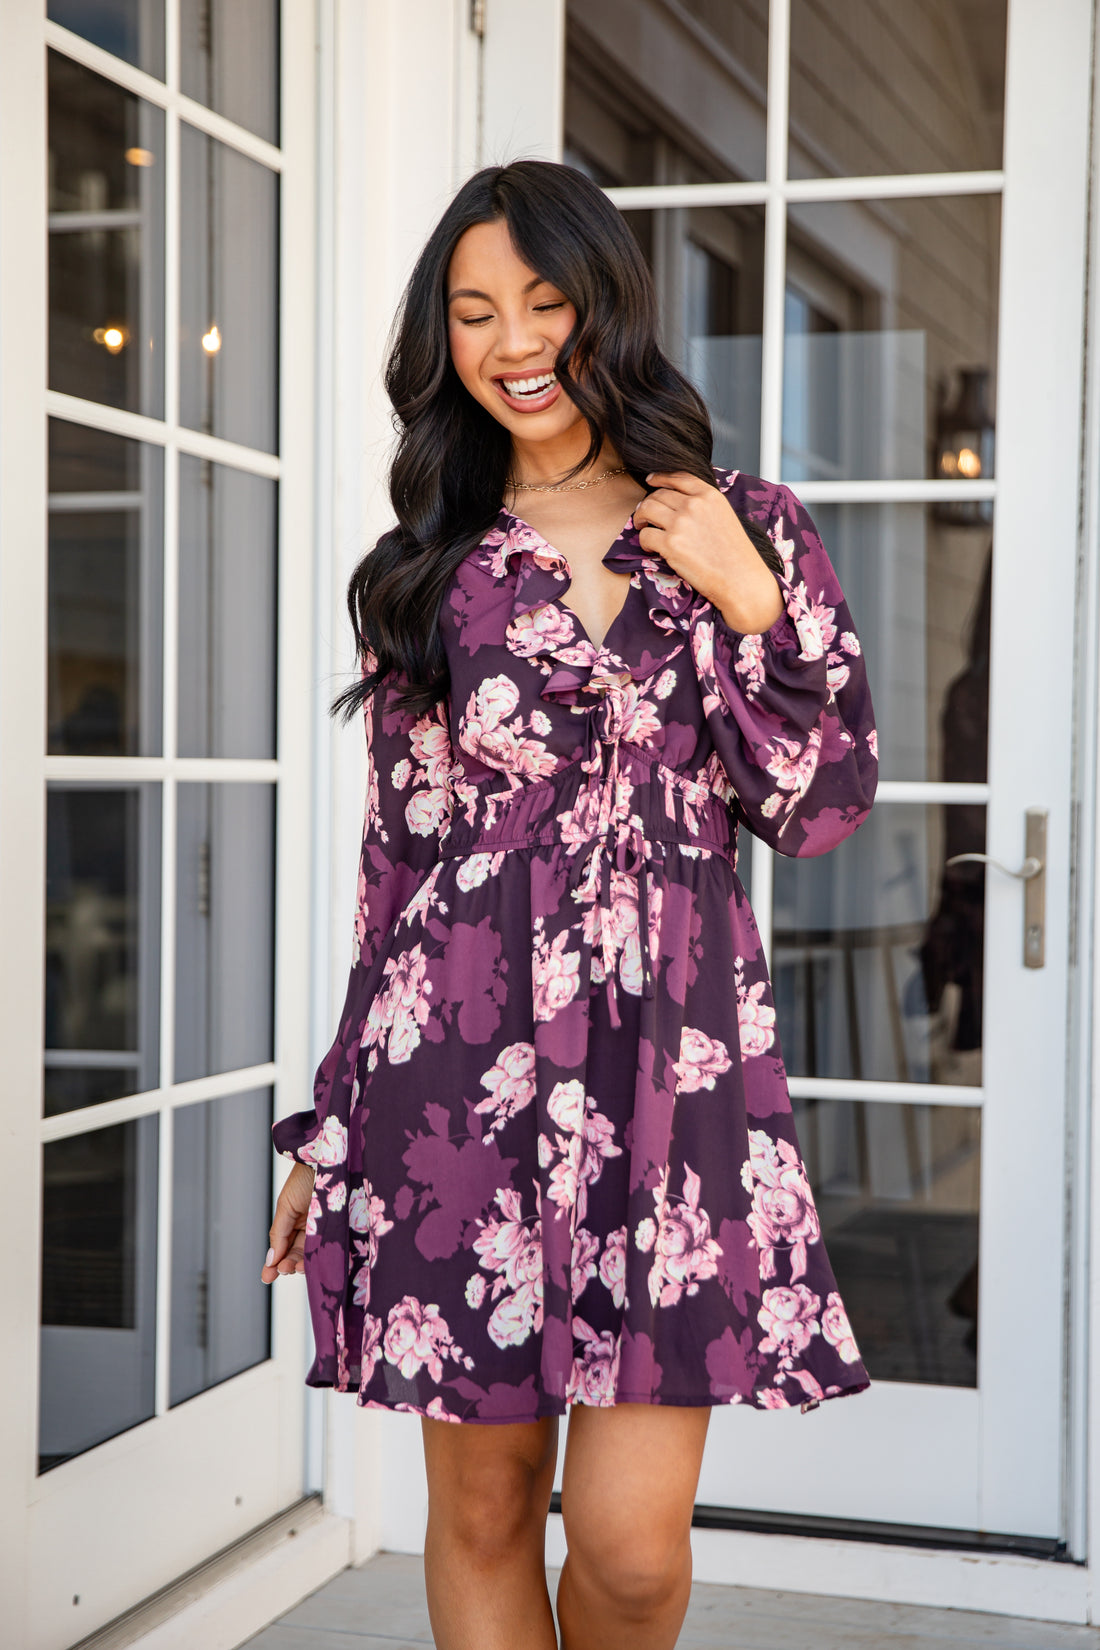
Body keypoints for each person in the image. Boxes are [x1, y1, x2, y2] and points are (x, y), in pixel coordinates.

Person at [261, 159, 877, 1650]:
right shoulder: (430, 571)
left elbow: (822, 804)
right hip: (452, 1079)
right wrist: (334, 1122)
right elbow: (397, 872)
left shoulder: (744, 525)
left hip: (674, 1081)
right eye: (473, 313)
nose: (512, 340)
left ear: (607, 306)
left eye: (542, 301)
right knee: (480, 1515)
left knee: (630, 1551)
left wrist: (749, 601)